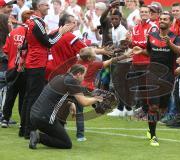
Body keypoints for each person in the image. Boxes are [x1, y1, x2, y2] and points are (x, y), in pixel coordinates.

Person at [20, 0, 74, 139]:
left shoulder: (32, 21)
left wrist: (58, 32)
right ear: (38, 7)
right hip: (37, 63)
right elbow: (48, 43)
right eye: (45, 4)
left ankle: (24, 128)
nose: (48, 6)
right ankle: (29, 130)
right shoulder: (37, 22)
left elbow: (38, 40)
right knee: (33, 98)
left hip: (33, 63)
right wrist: (61, 32)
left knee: (28, 97)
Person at [133, 12, 180, 146]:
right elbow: (150, 52)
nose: (161, 21)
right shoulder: (152, 36)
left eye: (165, 19)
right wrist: (141, 51)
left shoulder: (175, 37)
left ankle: (151, 127)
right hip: (153, 74)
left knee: (162, 109)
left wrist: (169, 43)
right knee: (154, 106)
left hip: (168, 76)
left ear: (171, 22)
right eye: (160, 19)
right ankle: (153, 135)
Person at [29, 64, 103, 149]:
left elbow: (55, 97)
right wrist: (97, 99)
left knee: (59, 135)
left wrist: (71, 104)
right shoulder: (72, 81)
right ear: (78, 74)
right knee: (66, 143)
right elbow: (84, 102)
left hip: (34, 115)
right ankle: (38, 136)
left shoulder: (59, 77)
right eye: (83, 75)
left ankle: (37, 135)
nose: (83, 78)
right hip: (45, 118)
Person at [1, 10, 33, 132]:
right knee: (23, 96)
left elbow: (6, 50)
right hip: (26, 68)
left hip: (12, 67)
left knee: (11, 94)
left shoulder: (13, 33)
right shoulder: (32, 34)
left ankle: (5, 119)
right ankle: (22, 121)